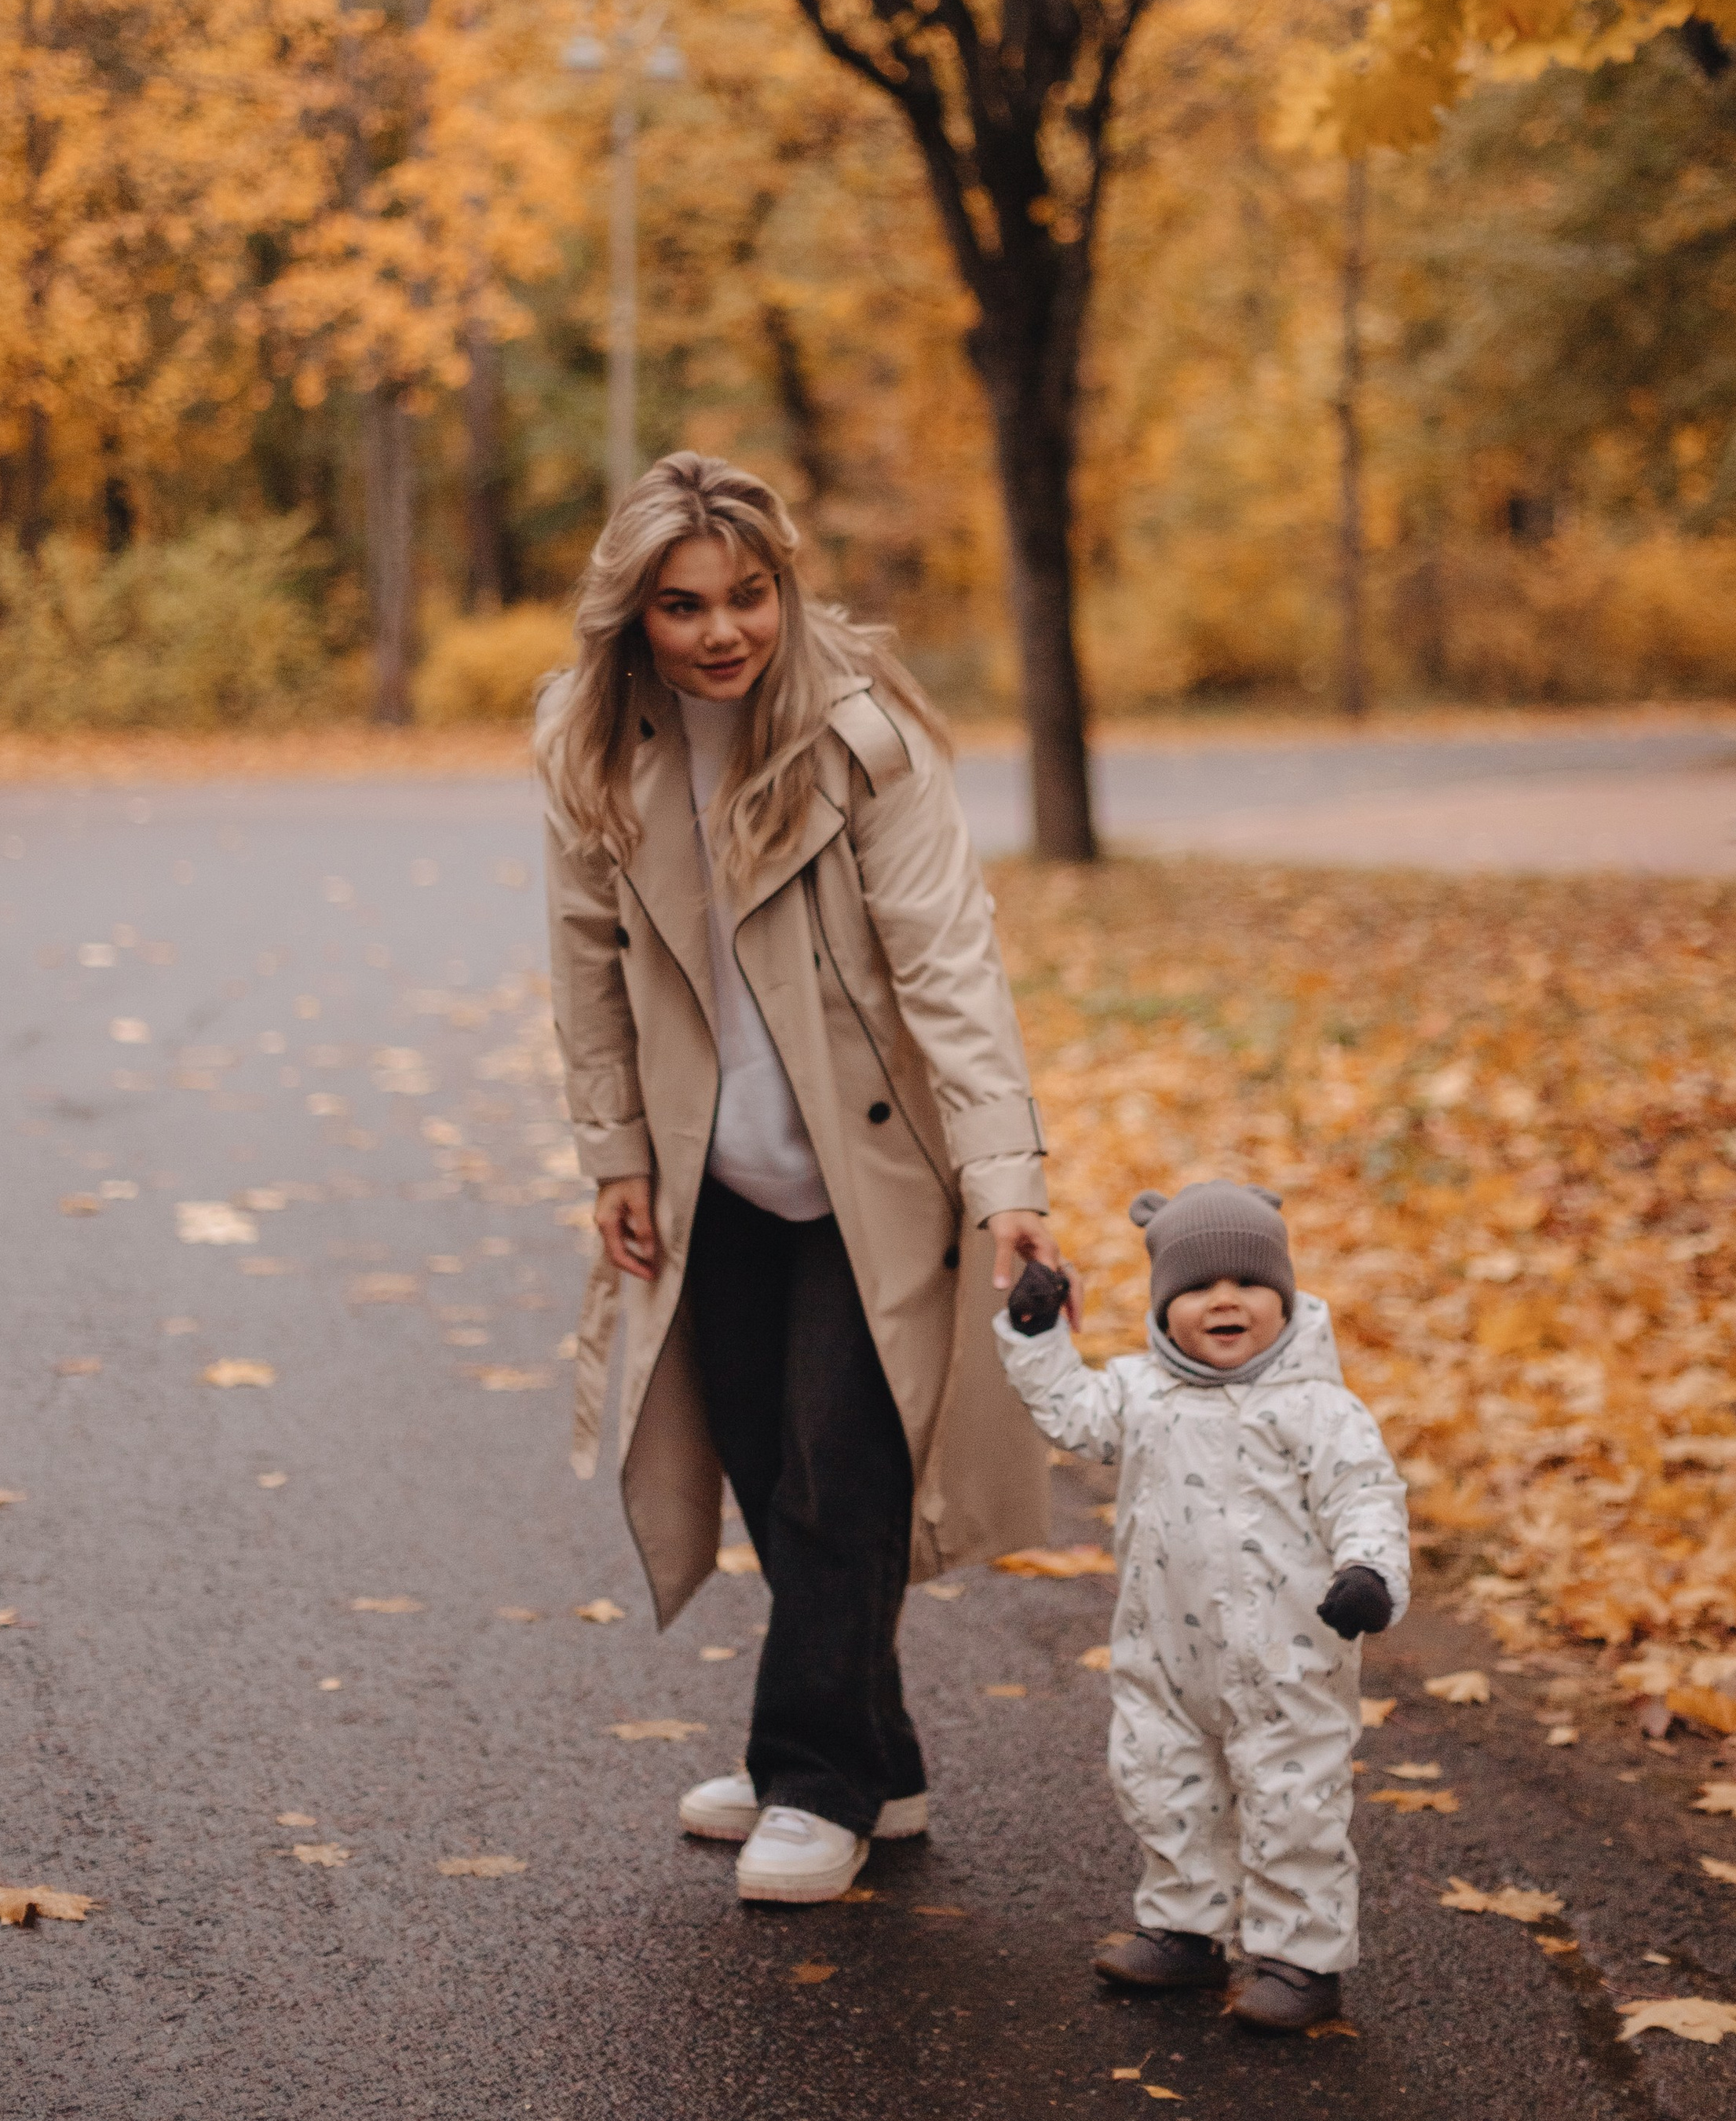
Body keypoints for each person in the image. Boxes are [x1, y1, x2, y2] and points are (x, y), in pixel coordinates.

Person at [537, 450, 1062, 1906]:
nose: (723, 632)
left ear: (786, 590)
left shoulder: (860, 735)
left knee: (847, 1463)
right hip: (716, 1178)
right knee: (769, 1464)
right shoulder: (592, 747)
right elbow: (586, 972)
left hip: (872, 1170)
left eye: (750, 597)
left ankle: (809, 1778)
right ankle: (875, 1762)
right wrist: (618, 1155)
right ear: (634, 614)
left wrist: (1005, 1168)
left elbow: (952, 959)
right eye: (686, 604)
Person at [995, 1180, 1409, 2031]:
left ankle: (1300, 1956)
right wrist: (1034, 1333)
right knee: (1163, 1785)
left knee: (1294, 1800)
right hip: (1163, 1654)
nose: (1224, 1300)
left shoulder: (1321, 1410)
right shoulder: (1141, 1394)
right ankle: (1185, 1928)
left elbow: (1366, 1497)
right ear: (1163, 1305)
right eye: (1196, 1287)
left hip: (1290, 1656)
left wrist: (1369, 1572)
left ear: (1284, 1297)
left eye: (1248, 1284)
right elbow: (1069, 1414)